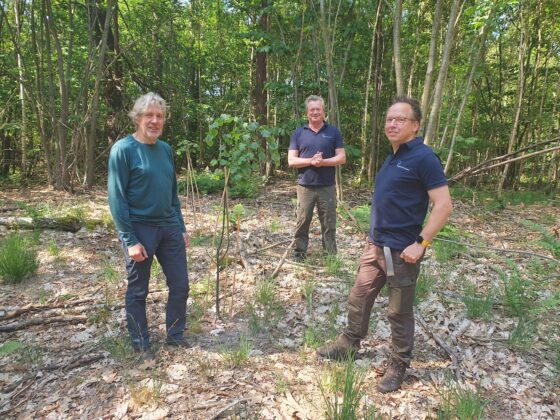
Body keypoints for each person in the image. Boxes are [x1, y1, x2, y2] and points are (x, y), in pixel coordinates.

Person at [317, 96, 453, 393]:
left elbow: (443, 206)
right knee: (359, 297)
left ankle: (398, 364)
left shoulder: (424, 158)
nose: (392, 123)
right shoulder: (393, 156)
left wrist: (421, 243)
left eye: (400, 119)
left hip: (402, 252)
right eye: (389, 119)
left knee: (398, 311)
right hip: (376, 246)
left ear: (415, 126)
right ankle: (349, 343)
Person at [108, 92, 190, 359]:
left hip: (169, 228)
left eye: (159, 116)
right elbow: (117, 199)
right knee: (138, 290)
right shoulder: (123, 150)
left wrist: (181, 226)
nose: (155, 121)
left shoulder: (165, 150)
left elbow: (172, 193)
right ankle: (141, 344)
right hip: (140, 229)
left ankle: (175, 336)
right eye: (149, 116)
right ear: (138, 118)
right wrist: (130, 240)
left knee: (180, 285)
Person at [288, 95, 346, 261]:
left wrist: (323, 162)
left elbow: (341, 157)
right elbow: (291, 161)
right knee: (302, 221)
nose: (315, 112)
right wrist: (311, 161)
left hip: (327, 186)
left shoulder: (333, 132)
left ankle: (330, 256)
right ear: (307, 113)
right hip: (305, 186)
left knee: (329, 222)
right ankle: (299, 254)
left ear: (323, 111)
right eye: (312, 110)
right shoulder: (298, 133)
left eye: (318, 109)